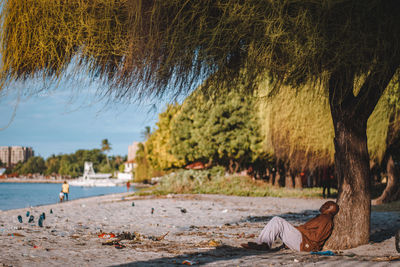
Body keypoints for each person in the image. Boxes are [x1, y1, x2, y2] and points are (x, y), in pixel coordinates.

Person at [241, 201, 339, 252]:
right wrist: (299, 229)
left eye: (325, 205)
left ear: (327, 208)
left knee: (277, 221)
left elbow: (316, 238)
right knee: (277, 221)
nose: (322, 205)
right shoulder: (322, 217)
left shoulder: (326, 220)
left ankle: (263, 245)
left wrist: (300, 229)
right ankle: (261, 244)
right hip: (302, 240)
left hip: (305, 244)